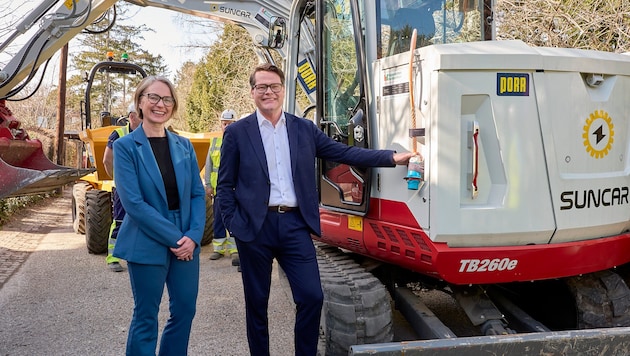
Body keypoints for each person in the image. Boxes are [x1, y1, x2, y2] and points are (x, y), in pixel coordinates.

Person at [216, 63, 414, 356]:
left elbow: (343, 152)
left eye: (274, 86)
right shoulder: (238, 133)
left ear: (283, 90)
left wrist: (391, 158)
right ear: (252, 92)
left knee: (311, 297)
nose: (268, 92)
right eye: (261, 87)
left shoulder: (303, 129)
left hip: (294, 225)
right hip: (254, 228)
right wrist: (235, 224)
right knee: (257, 304)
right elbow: (224, 185)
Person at [112, 75, 206, 356]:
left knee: (185, 310)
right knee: (146, 316)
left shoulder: (184, 145)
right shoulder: (125, 147)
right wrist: (177, 238)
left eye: (166, 99)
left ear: (173, 105)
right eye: (153, 97)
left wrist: (193, 236)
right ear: (140, 102)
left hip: (185, 235)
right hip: (147, 236)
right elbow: (135, 204)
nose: (159, 104)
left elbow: (197, 194)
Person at [102, 103, 141, 272]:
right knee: (120, 221)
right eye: (142, 115)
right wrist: (118, 179)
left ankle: (137, 255)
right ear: (132, 117)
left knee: (141, 221)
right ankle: (113, 257)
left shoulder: (146, 134)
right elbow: (106, 160)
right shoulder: (118, 134)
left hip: (141, 187)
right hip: (124, 189)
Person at [205, 109, 239, 268]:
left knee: (233, 219)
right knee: (218, 219)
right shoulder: (214, 143)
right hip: (218, 190)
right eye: (224, 123)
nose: (226, 126)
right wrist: (208, 185)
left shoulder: (239, 141)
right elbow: (209, 165)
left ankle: (234, 250)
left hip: (234, 190)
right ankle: (218, 249)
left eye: (229, 124)